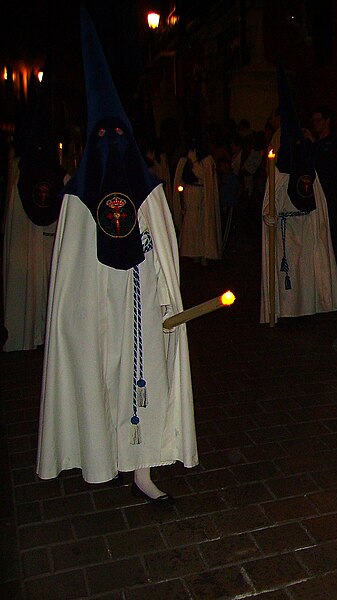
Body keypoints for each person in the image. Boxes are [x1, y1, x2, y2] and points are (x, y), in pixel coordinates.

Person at [37, 8, 197, 504]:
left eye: (117, 137)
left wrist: (168, 298)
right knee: (99, 382)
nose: (110, 147)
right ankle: (101, 461)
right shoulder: (76, 197)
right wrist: (69, 318)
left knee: (144, 386)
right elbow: (68, 274)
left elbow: (165, 256)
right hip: (95, 314)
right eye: (100, 138)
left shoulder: (148, 193)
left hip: (143, 307)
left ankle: (144, 468)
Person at [260, 67, 337, 322]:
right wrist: (269, 217)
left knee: (305, 272)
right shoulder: (279, 171)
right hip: (285, 229)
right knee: (288, 274)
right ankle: (284, 312)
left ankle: (308, 309)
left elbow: (318, 205)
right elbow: (268, 202)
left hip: (305, 229)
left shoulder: (309, 170)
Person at [2, 58, 66, 352]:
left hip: (38, 239)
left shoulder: (27, 169)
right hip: (32, 238)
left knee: (35, 285)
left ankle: (35, 333)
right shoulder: (21, 170)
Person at [303, 106, 337, 266]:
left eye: (318, 120)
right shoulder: (314, 144)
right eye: (313, 120)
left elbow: (332, 167)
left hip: (330, 197)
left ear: (327, 121)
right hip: (314, 196)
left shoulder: (334, 143)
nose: (315, 124)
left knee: (331, 234)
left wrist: (315, 145)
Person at [172, 139, 222, 264]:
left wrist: (194, 162)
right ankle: (193, 252)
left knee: (202, 223)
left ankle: (203, 253)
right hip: (191, 194)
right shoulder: (185, 161)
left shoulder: (206, 161)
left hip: (201, 194)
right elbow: (182, 177)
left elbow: (204, 176)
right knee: (191, 222)